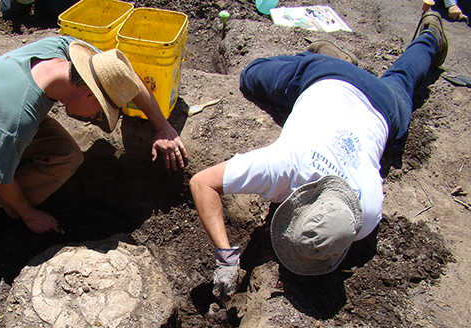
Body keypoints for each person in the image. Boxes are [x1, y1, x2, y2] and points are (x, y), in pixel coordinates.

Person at [0, 36, 187, 328]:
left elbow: (127, 77)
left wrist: (161, 125)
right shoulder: (20, 115)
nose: (95, 118)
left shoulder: (68, 53)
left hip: (1, 118)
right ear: (85, 92)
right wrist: (29, 215)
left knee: (68, 155)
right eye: (99, 110)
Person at [189, 12, 448, 301]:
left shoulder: (367, 214)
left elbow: (203, 182)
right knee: (251, 75)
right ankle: (341, 53)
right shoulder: (289, 166)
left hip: (369, 100)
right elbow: (202, 183)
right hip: (343, 85)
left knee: (405, 78)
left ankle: (427, 37)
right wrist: (226, 258)